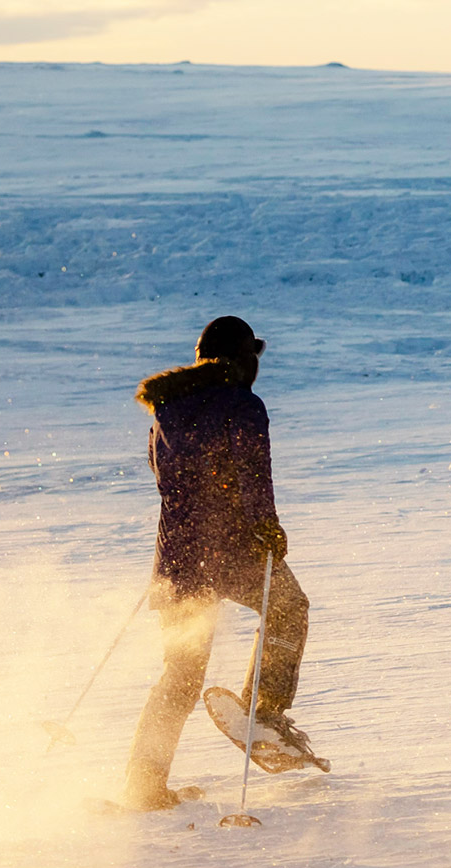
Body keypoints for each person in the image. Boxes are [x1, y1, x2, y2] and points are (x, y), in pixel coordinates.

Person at [122, 316, 310, 811]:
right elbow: (251, 471)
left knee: (180, 673)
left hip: (178, 556)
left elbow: (164, 478)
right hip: (231, 547)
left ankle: (143, 785)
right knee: (289, 609)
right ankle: (263, 712)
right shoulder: (242, 405)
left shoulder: (166, 408)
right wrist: (266, 526)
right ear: (243, 359)